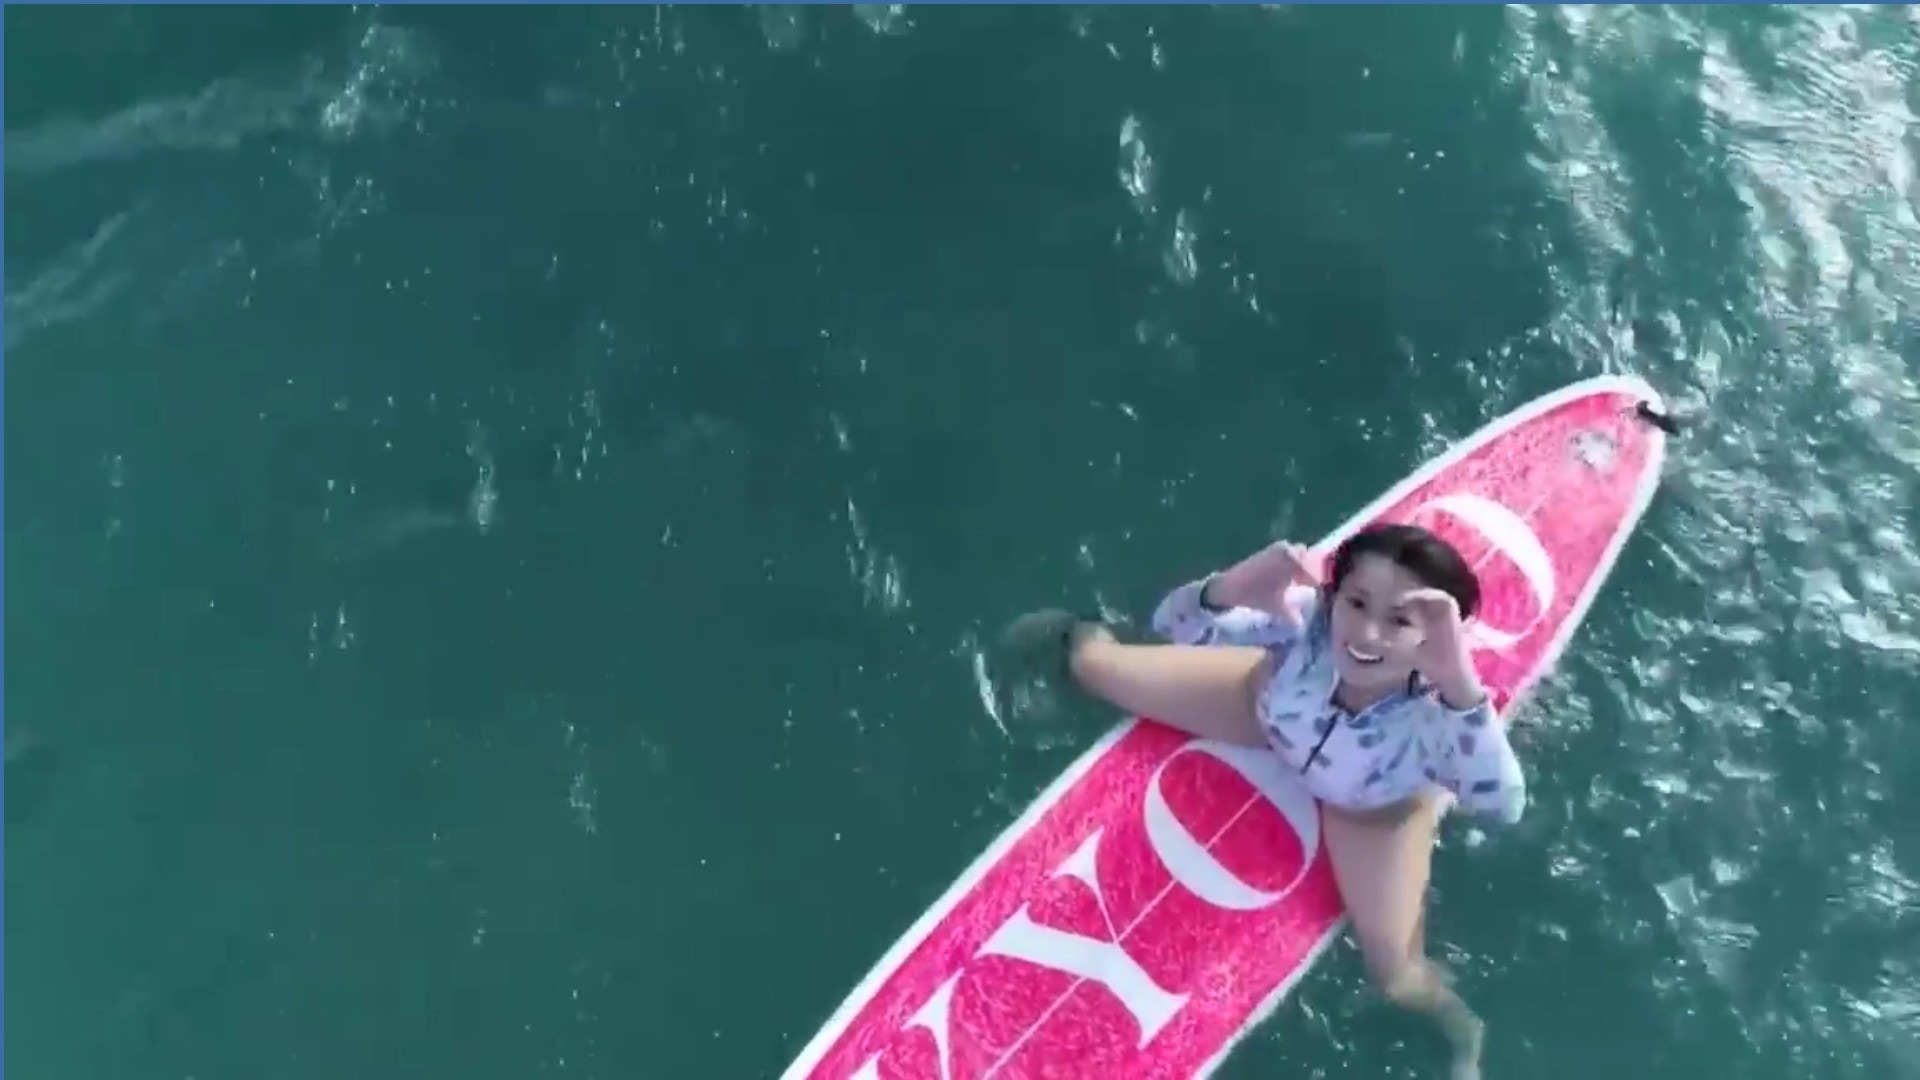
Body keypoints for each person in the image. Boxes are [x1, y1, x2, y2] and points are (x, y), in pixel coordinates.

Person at [1004, 522, 1526, 1080]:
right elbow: (1172, 627)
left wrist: (1458, 683)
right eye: (1356, 603)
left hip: (1371, 813)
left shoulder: (1438, 711)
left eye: (1399, 621)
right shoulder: (1307, 620)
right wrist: (1231, 588)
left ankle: (1465, 1036)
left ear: (1435, 639)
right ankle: (1075, 628)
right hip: (1253, 709)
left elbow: (1503, 802)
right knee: (1091, 665)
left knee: (1397, 978)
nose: (1367, 634)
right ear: (1334, 595)